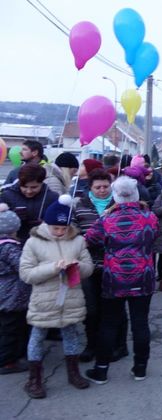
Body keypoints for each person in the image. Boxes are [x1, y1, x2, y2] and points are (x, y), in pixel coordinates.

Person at [84, 176, 159, 384]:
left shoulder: (106, 219)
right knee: (140, 323)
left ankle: (101, 370)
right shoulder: (149, 217)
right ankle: (140, 369)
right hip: (142, 277)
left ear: (115, 195)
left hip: (114, 278)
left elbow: (89, 240)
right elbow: (154, 236)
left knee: (108, 323)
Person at [20, 196, 94, 398]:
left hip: (70, 297)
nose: (60, 232)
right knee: (37, 336)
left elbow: (88, 268)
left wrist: (78, 266)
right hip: (44, 300)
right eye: (56, 228)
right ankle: (34, 379)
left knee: (71, 334)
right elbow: (26, 274)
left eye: (64, 228)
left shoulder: (78, 240)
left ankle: (73, 373)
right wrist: (53, 268)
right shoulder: (33, 243)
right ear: (46, 224)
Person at [73, 169, 129, 364]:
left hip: (114, 265)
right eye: (98, 187)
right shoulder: (80, 206)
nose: (102, 190)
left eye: (106, 186)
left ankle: (119, 345)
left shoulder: (119, 205)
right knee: (91, 309)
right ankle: (92, 345)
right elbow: (73, 230)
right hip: (88, 265)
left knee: (115, 308)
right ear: (90, 188)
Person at [0, 204, 31, 375]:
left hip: (4, 293)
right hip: (12, 295)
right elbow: (22, 266)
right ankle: (7, 362)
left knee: (6, 327)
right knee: (11, 329)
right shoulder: (9, 247)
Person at [0, 163, 59, 244]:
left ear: (42, 182)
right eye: (24, 187)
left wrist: (46, 223)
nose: (29, 191)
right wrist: (12, 216)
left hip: (42, 243)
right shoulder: (7, 196)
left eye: (34, 187)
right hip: (13, 244)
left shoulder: (52, 198)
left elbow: (60, 223)